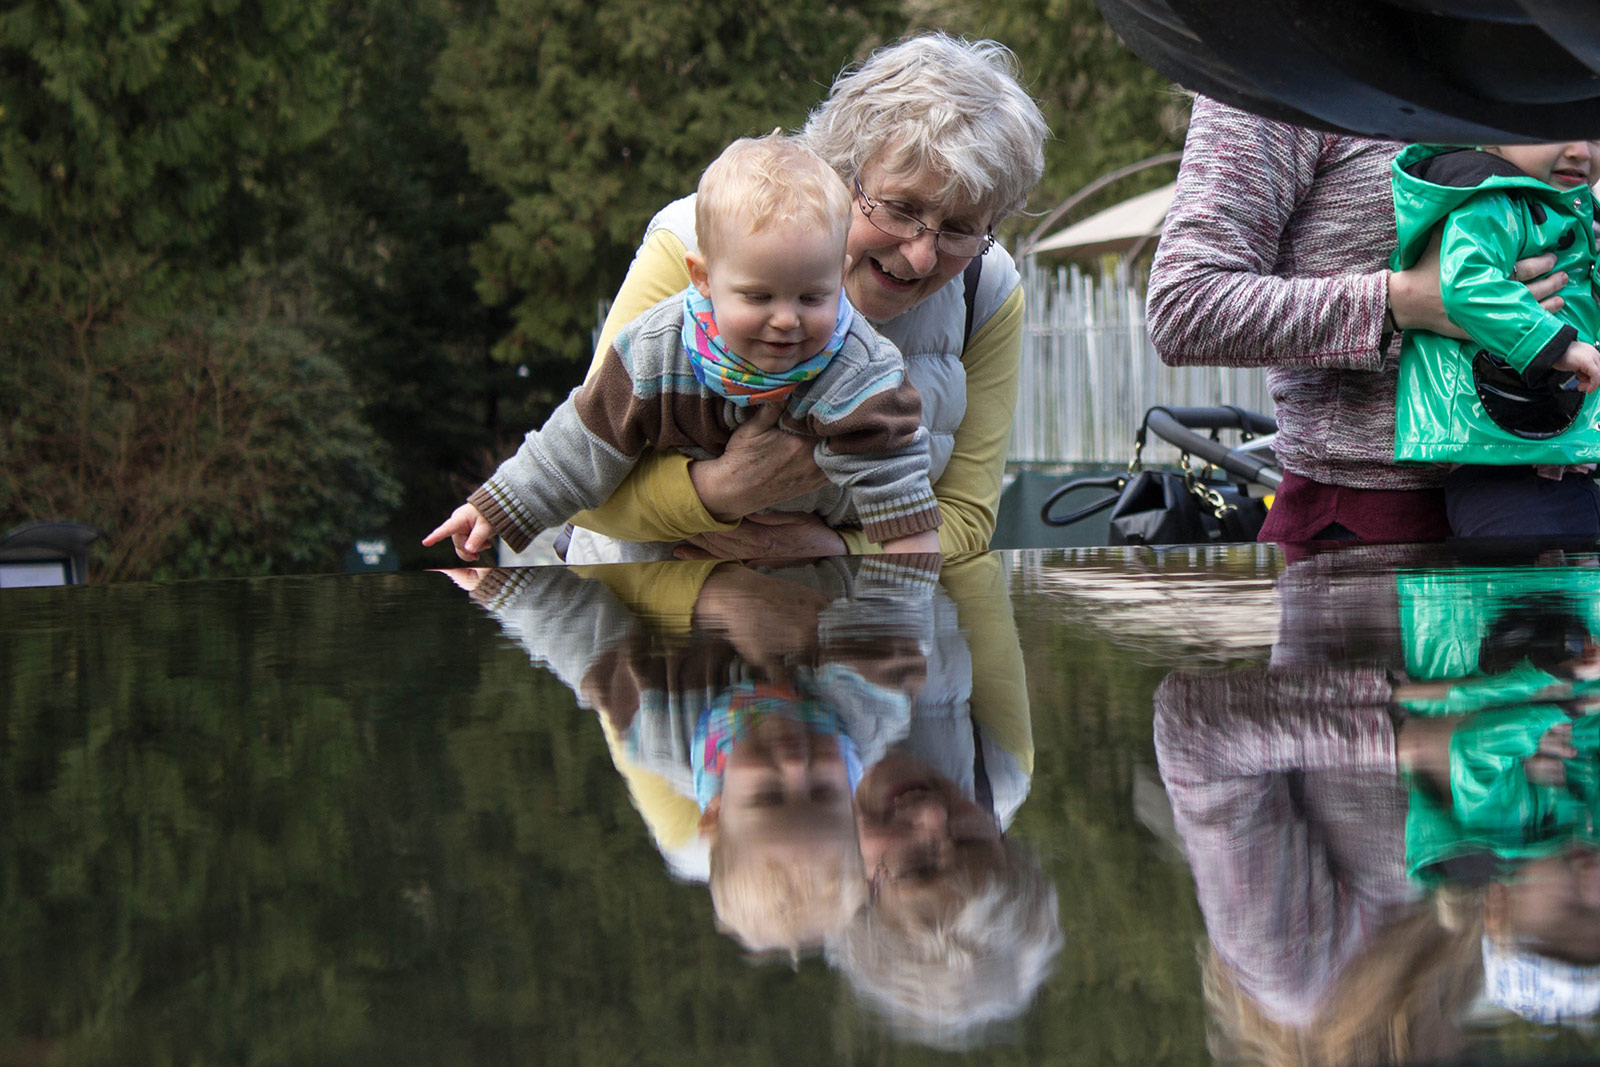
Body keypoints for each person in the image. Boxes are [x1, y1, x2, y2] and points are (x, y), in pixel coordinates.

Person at [560, 33, 1048, 564]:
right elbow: (577, 484)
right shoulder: (694, 243)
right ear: (839, 172)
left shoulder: (988, 290)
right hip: (647, 620)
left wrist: (836, 550)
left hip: (857, 629)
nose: (923, 257)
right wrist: (723, 489)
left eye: (960, 229)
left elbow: (967, 517)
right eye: (900, 208)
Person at [425, 134, 943, 563]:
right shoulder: (657, 351)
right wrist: (497, 508)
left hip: (812, 571)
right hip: (675, 562)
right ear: (702, 279)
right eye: (757, 296)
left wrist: (904, 630)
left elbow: (902, 506)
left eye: (812, 296)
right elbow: (583, 442)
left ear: (838, 275)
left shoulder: (860, 369)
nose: (786, 320)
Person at [1147, 95, 1570, 544]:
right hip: (1367, 527)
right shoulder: (1276, 71)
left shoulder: (1518, 57)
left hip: (1554, 506)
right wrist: (1401, 302)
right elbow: (1184, 305)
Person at [1390, 141, 1600, 537]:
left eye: (1595, 133)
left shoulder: (1570, 209)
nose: (1580, 151)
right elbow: (1466, 285)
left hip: (1553, 452)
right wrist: (1556, 344)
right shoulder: (1491, 200)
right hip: (1494, 451)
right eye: (1552, 129)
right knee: (1523, 581)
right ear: (1493, 133)